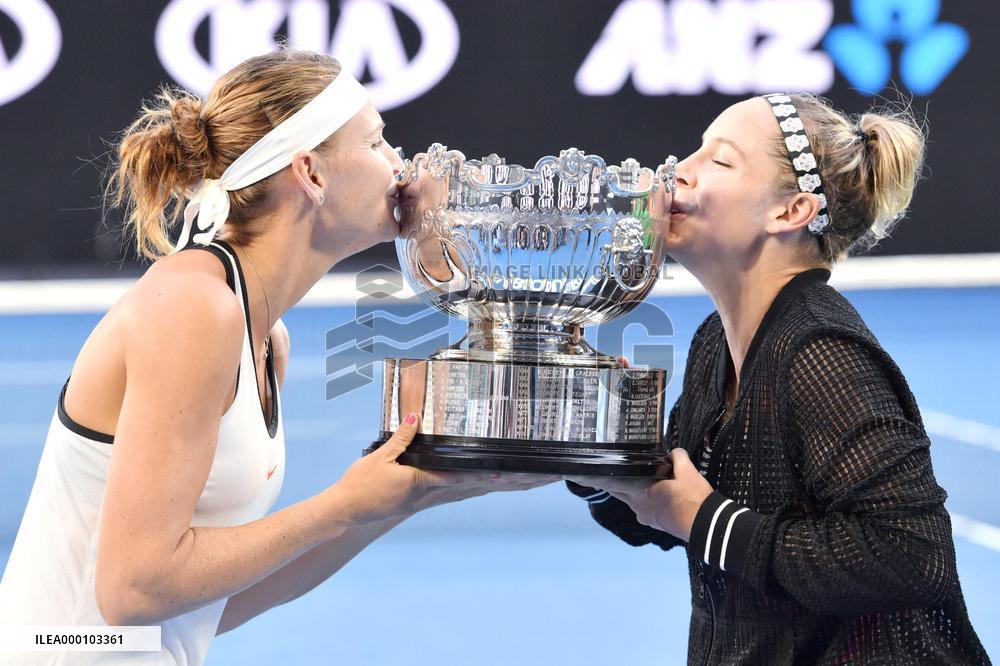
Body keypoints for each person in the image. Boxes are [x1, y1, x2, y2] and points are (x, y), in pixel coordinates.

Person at [0, 49, 551, 664]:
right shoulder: (194, 310)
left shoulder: (263, 337)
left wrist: (414, 491)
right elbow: (135, 589)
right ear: (310, 173)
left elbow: (210, 606)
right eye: (376, 143)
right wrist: (341, 502)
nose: (399, 166)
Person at [568, 93, 990, 664]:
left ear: (791, 212)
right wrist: (596, 448)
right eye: (694, 151)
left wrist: (706, 519)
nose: (678, 172)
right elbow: (664, 514)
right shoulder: (714, 344)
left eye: (719, 161)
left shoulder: (820, 351)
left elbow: (914, 556)